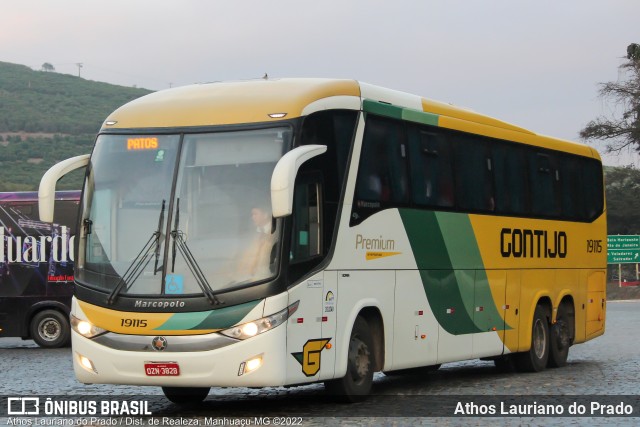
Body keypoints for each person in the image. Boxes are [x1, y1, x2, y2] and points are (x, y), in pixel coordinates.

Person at [235, 206, 276, 280]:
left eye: (255, 214)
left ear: (266, 215)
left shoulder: (276, 232)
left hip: (268, 277)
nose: (252, 217)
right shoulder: (252, 232)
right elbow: (246, 255)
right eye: (252, 215)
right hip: (249, 276)